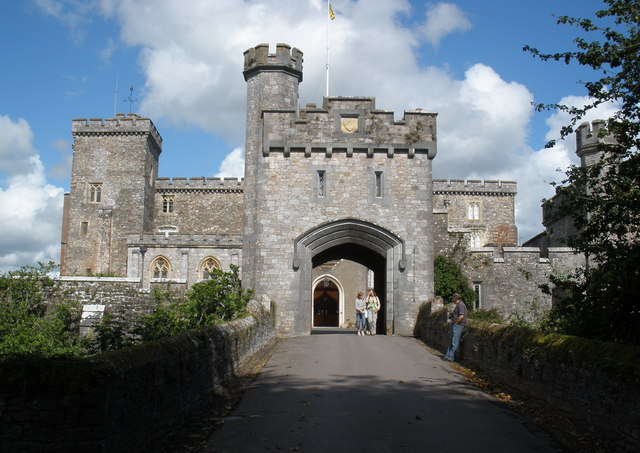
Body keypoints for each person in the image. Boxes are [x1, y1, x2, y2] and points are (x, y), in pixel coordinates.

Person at [444, 293, 467, 361]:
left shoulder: (461, 305)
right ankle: (448, 356)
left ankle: (450, 357)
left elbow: (461, 316)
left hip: (458, 325)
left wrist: (456, 323)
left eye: (453, 298)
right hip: (456, 325)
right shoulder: (458, 305)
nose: (452, 299)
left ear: (455, 298)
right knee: (451, 341)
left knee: (454, 342)